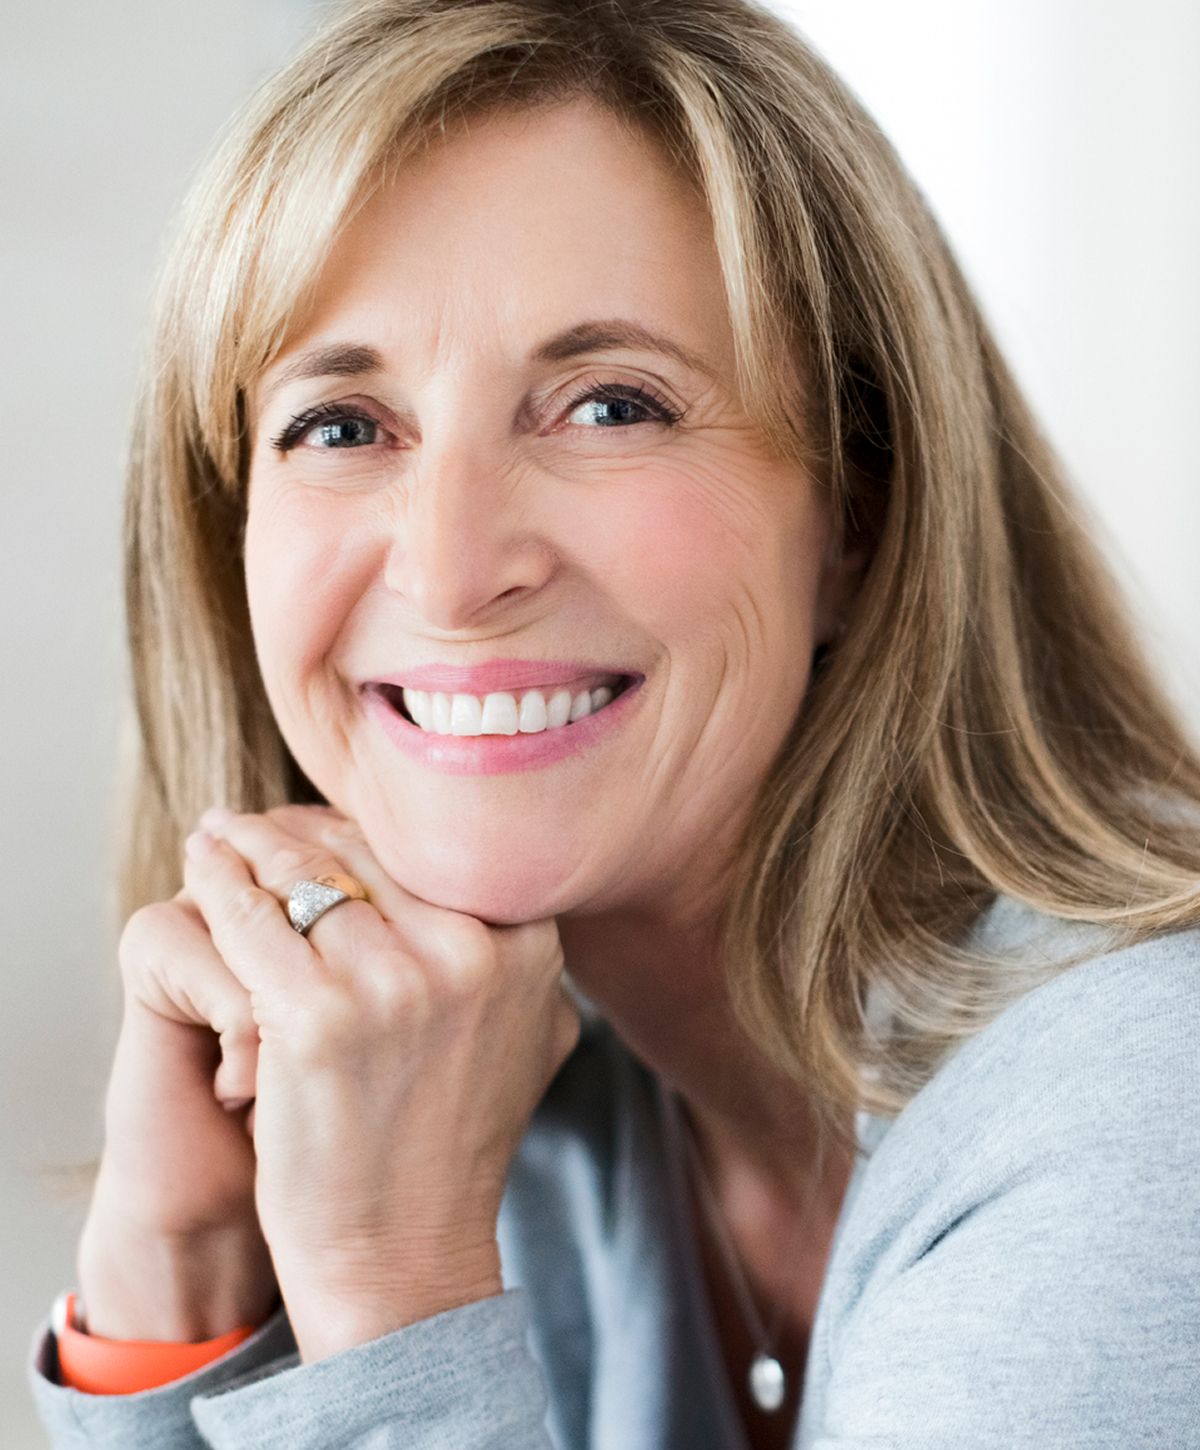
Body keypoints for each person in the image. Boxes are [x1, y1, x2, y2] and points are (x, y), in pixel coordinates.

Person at [25, 0, 1200, 1445]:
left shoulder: (1150, 1105)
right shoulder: (446, 1062)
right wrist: (181, 1278)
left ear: (857, 513)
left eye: (610, 407)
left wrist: (394, 1293)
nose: (450, 571)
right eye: (342, 426)